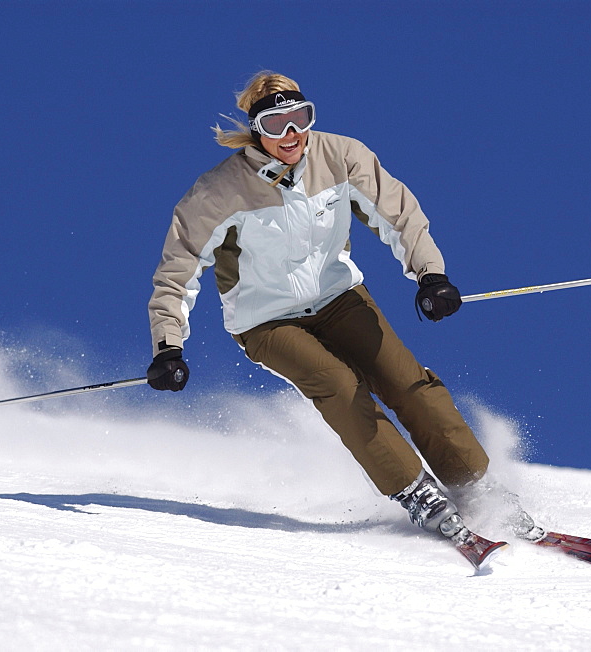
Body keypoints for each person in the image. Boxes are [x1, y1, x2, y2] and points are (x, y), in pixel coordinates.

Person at [146, 71, 543, 544]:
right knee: (339, 385)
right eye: (276, 125)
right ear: (256, 130)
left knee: (408, 383)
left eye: (300, 119)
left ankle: (476, 488)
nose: (292, 135)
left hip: (339, 299)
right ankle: (415, 492)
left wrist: (430, 275)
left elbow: (399, 214)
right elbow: (179, 270)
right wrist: (168, 347)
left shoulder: (341, 156)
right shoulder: (218, 192)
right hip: (266, 321)